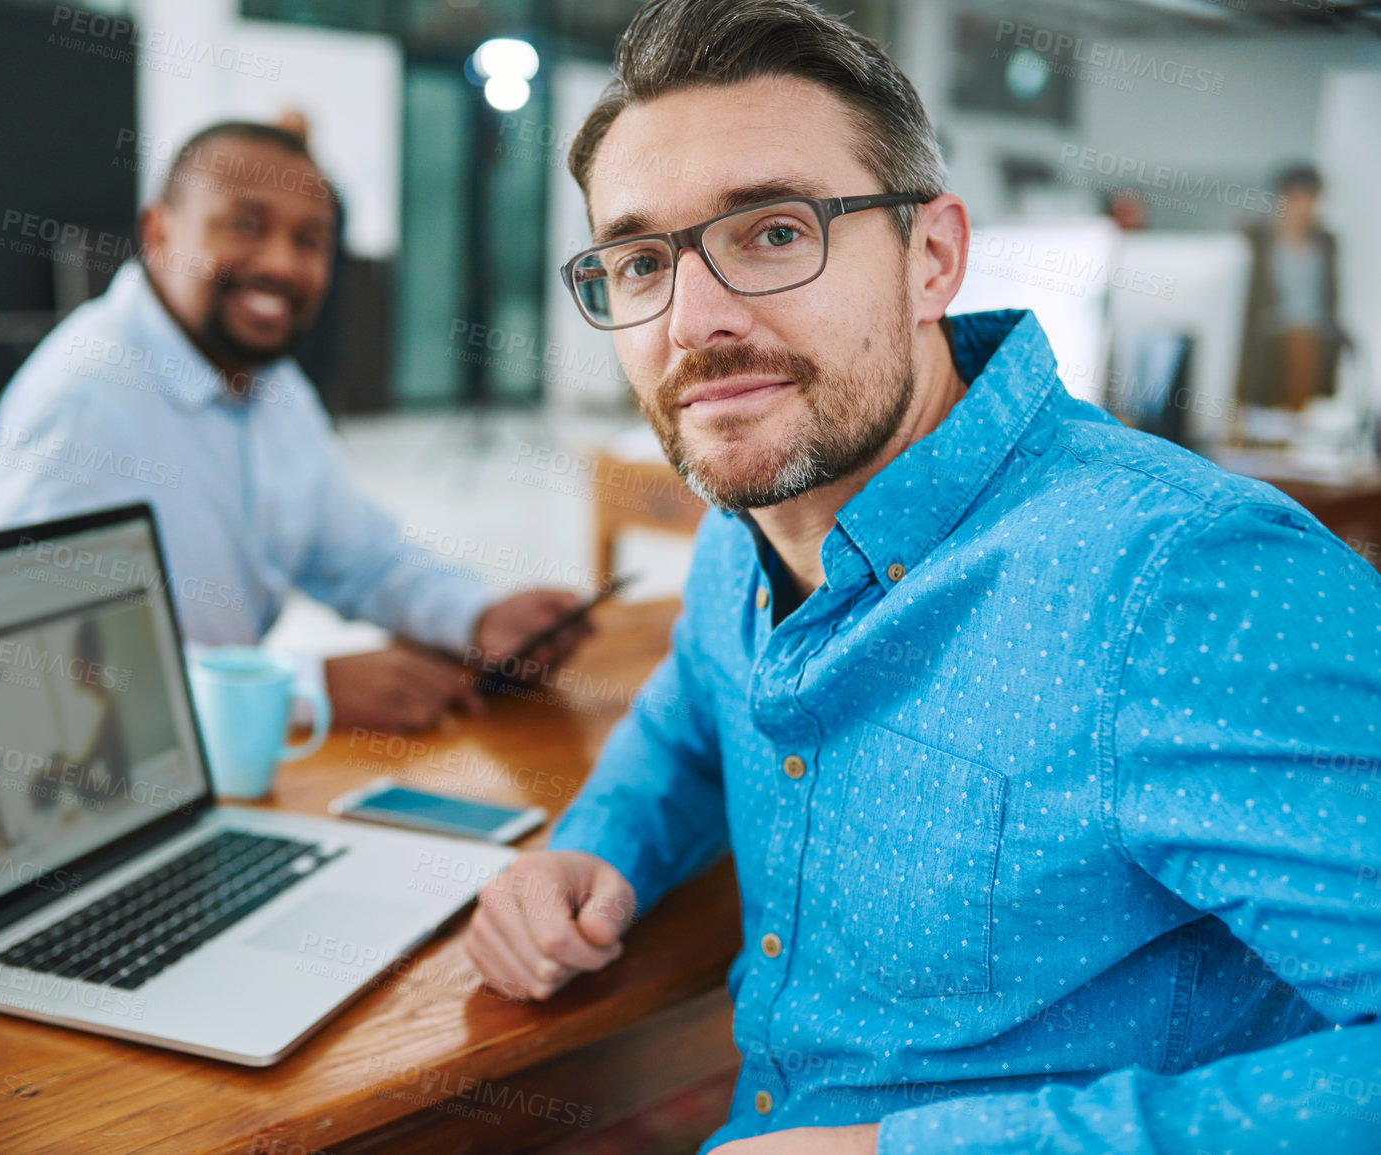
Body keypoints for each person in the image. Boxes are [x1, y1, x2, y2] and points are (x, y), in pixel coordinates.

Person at [463, 3, 1381, 1153]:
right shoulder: (750, 516)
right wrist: (595, 847)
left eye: (773, 232)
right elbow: (693, 719)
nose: (695, 323)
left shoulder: (1182, 582)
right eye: (641, 260)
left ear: (932, 258)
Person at [0, 121, 587, 732]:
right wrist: (304, 689)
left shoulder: (271, 384)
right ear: (158, 233)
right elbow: (45, 664)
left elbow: (356, 555)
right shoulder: (83, 400)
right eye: (246, 225)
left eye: (310, 240)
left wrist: (475, 619)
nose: (282, 265)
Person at [1236, 165, 1345, 413]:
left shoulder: (1326, 243)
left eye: (1311, 199)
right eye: (1296, 198)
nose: (1304, 207)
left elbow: (1331, 297)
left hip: (1314, 339)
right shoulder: (1255, 238)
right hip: (1267, 339)